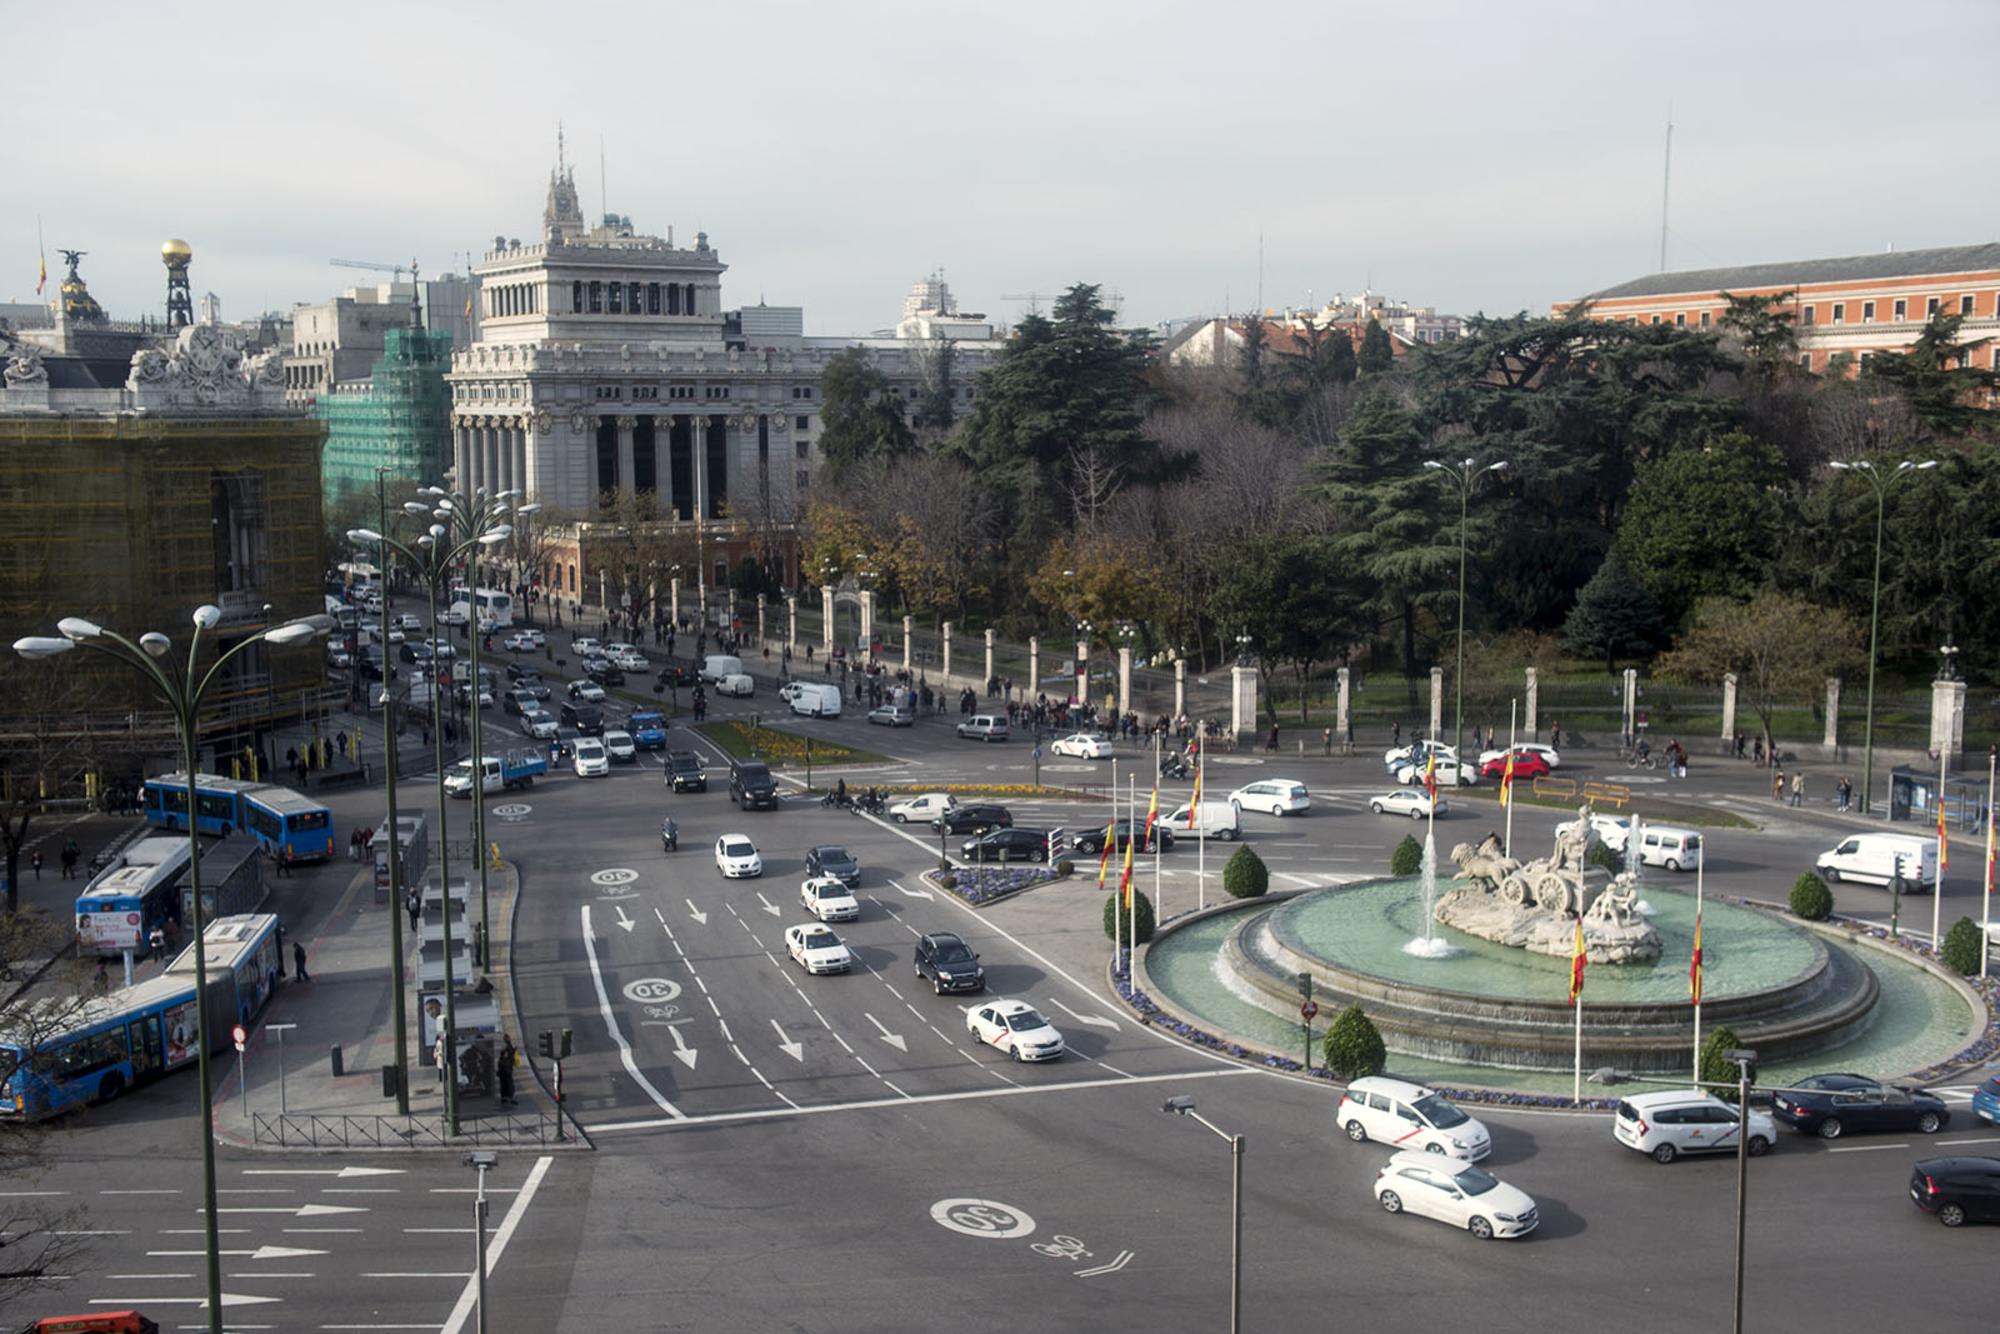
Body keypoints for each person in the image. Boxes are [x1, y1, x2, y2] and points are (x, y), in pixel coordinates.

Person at [497, 1034, 517, 1106]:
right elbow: (509, 1056)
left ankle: (506, 1098)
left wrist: (514, 1051)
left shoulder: (508, 1046)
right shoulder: (506, 1047)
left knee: (506, 1085)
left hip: (507, 1070)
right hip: (506, 1071)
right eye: (508, 1038)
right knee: (508, 1085)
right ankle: (508, 1098)